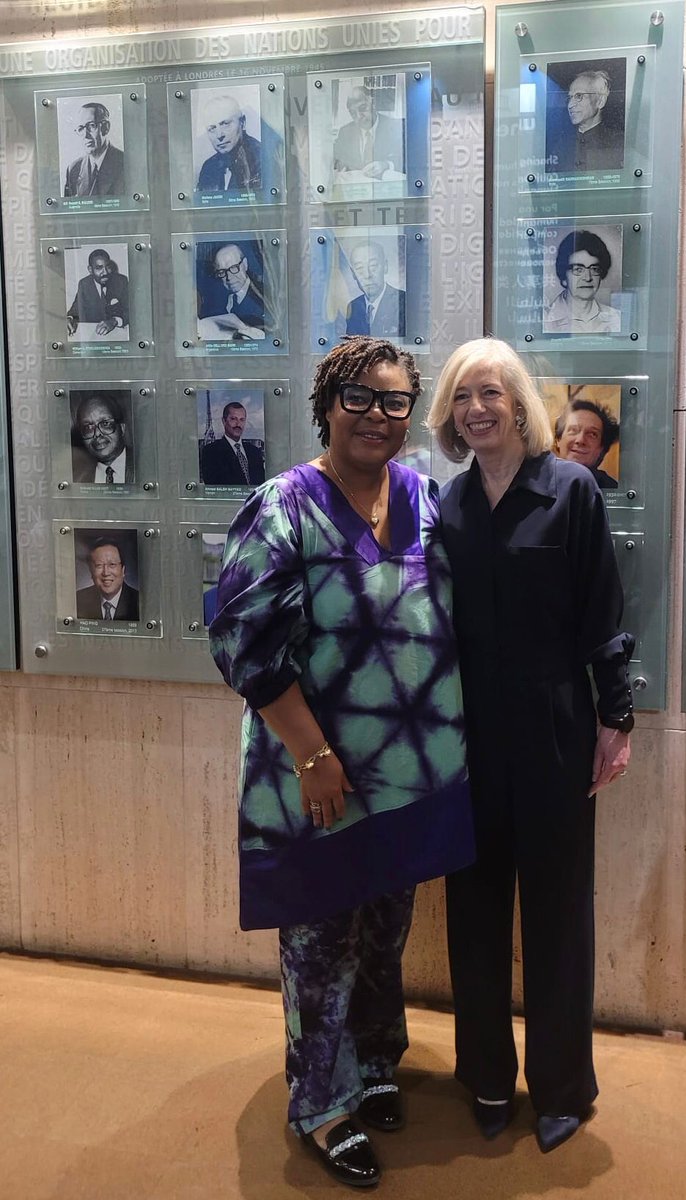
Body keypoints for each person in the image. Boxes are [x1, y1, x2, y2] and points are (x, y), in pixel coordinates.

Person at [209, 336, 474, 1189]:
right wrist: (313, 753)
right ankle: (321, 1104)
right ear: (326, 405)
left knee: (385, 932)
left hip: (408, 774)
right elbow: (245, 643)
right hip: (315, 773)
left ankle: (374, 1061)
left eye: (394, 401)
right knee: (321, 940)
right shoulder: (283, 504)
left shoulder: (427, 500)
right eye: (357, 397)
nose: (375, 415)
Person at [426, 338, 634, 1154]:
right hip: (467, 734)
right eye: (461, 396)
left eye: (490, 393)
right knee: (473, 913)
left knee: (557, 913)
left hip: (554, 727)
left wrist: (615, 720)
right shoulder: (446, 504)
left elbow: (602, 613)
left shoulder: (570, 489)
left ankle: (560, 1087)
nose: (476, 409)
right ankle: (484, 1078)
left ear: (518, 403)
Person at [543, 230, 620, 334]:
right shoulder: (544, 319)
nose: (588, 278)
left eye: (594, 269)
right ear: (564, 276)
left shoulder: (616, 318)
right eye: (578, 269)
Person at [554, 70, 623, 172]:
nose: (570, 105)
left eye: (579, 96)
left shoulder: (619, 143)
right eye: (569, 98)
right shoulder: (560, 145)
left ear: (600, 101)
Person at [198, 243, 267, 340]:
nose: (229, 277)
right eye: (222, 272)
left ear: (245, 264)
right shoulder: (215, 298)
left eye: (234, 268)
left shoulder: (265, 296)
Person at [333, 84, 405, 179]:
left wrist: (386, 164)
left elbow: (405, 157)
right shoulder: (345, 132)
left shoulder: (393, 126)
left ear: (373, 104)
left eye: (362, 108)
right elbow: (336, 159)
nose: (359, 116)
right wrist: (340, 165)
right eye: (353, 113)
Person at [196, 94, 262, 192]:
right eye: (212, 128)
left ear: (242, 123)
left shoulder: (262, 158)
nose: (219, 135)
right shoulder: (208, 167)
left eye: (225, 124)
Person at [71, 390, 134, 484]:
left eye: (105, 423)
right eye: (88, 428)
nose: (97, 433)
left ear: (122, 428)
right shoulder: (77, 474)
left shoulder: (145, 464)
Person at [63, 102, 125, 197]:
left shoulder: (125, 164)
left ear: (105, 128)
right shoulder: (73, 169)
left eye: (91, 126)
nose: (85, 135)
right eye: (80, 129)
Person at [345, 241, 406, 337]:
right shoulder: (353, 307)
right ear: (353, 274)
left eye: (373, 265)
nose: (367, 275)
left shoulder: (403, 301)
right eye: (359, 268)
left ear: (385, 266)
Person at [555, 399, 620, 489]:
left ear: (601, 448)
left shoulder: (611, 489)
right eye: (573, 430)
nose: (580, 440)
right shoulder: (537, 482)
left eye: (592, 434)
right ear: (558, 439)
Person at [200, 401, 266, 486]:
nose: (238, 424)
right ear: (224, 421)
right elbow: (214, 485)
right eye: (233, 419)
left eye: (242, 420)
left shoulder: (254, 451)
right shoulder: (211, 451)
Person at [66, 249, 129, 337]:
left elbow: (131, 311)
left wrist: (114, 320)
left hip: (117, 334)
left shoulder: (121, 281)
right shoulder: (84, 284)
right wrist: (70, 318)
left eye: (108, 267)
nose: (105, 272)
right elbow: (76, 309)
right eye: (99, 268)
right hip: (93, 335)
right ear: (90, 269)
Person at [75, 536, 140, 620]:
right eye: (99, 565)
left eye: (112, 564)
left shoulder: (139, 600)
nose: (106, 573)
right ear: (91, 571)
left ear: (123, 570)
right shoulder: (78, 600)